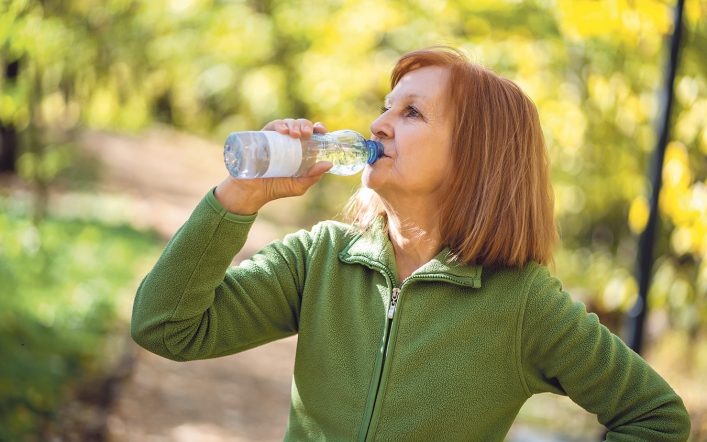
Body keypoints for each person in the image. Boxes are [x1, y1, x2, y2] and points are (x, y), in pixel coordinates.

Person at [131, 48, 690, 441]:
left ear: (476, 159)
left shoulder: (521, 303)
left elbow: (655, 417)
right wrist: (239, 196)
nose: (378, 124)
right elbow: (166, 326)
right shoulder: (319, 259)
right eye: (386, 105)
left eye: (412, 113)